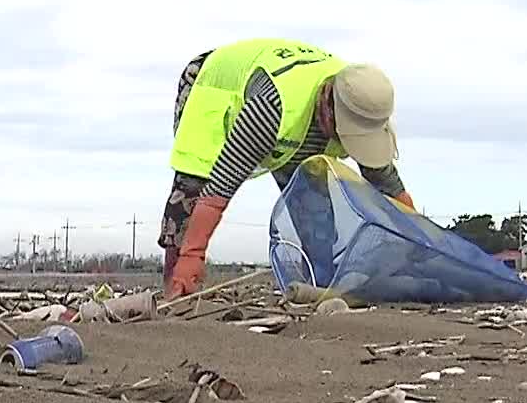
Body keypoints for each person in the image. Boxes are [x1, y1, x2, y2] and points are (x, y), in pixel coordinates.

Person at [161, 38, 415, 299]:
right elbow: (220, 188)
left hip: (294, 122)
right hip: (213, 86)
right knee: (192, 187)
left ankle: (319, 285)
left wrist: (419, 245)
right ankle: (176, 288)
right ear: (329, 108)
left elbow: (389, 185)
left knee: (313, 200)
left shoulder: (364, 100)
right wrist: (193, 253)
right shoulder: (272, 108)